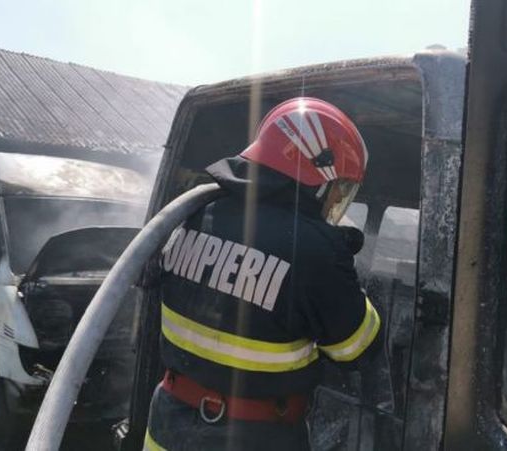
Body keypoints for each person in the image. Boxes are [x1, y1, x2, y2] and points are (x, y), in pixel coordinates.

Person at [145, 97, 382, 451]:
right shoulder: (317, 250)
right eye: (339, 189)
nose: (336, 202)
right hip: (254, 436)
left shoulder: (194, 215)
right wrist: (344, 273)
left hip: (167, 423)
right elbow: (357, 350)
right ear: (318, 176)